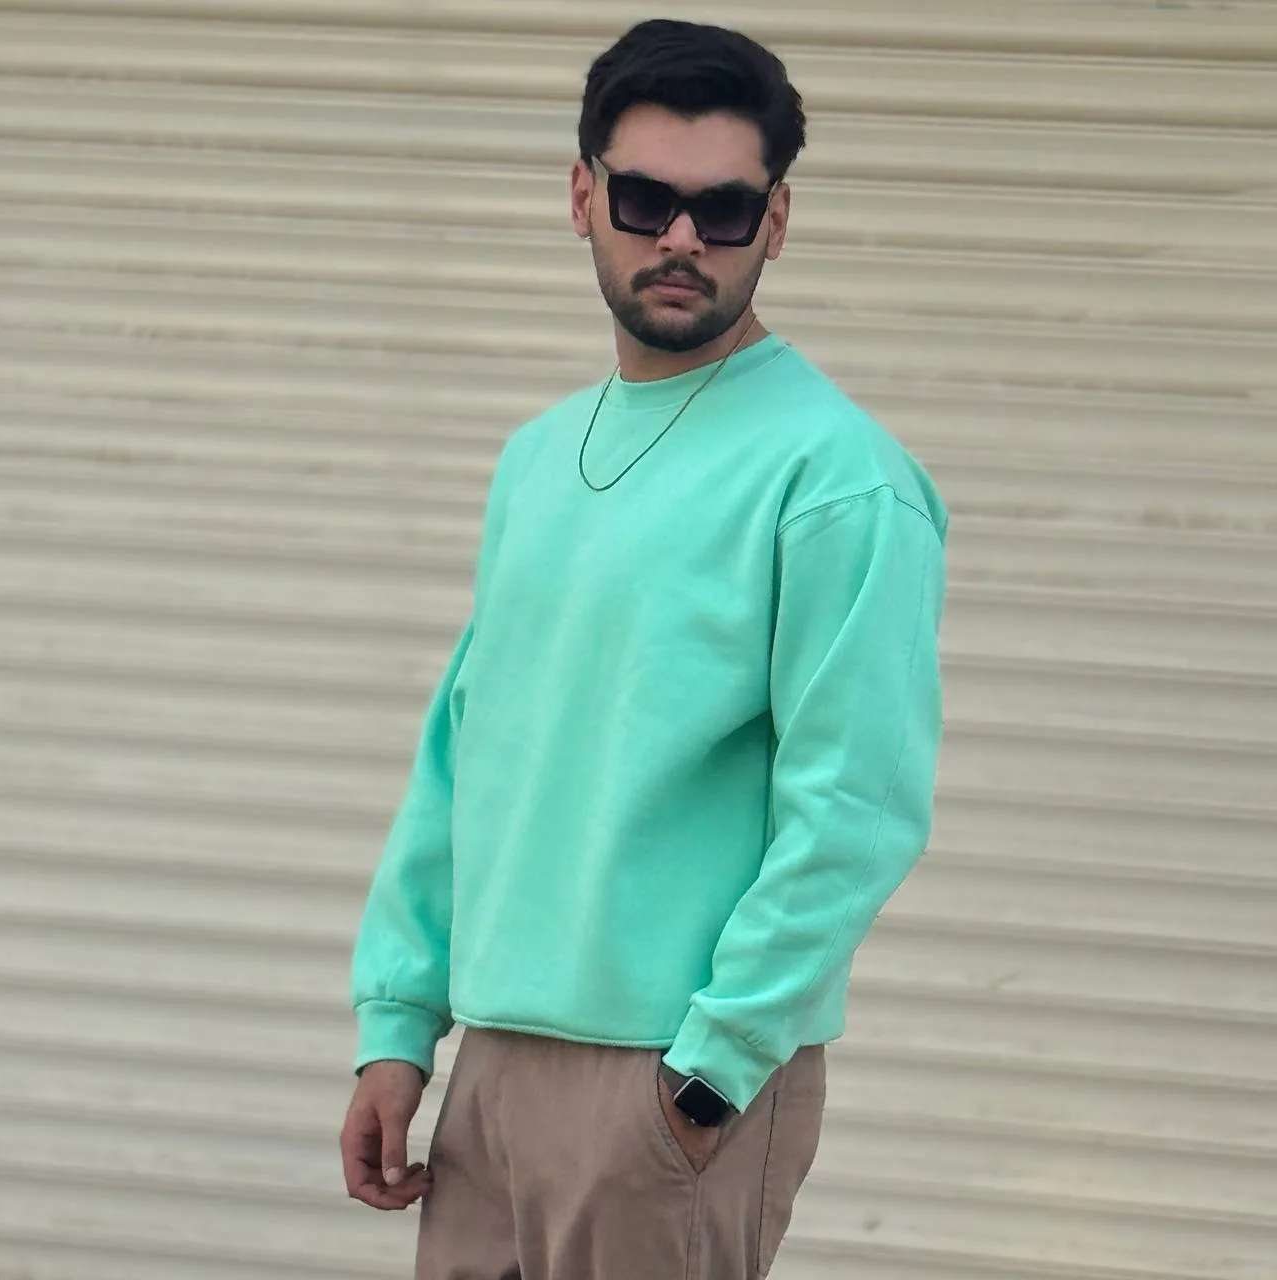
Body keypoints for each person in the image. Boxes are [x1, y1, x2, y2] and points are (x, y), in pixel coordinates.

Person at [340, 17, 948, 1279]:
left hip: (667, 1082)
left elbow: (854, 804)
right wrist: (398, 1023)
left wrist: (711, 1073)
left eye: (722, 209)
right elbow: (464, 754)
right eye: (643, 199)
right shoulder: (535, 459)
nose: (680, 237)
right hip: (493, 1065)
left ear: (774, 221)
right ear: (581, 197)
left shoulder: (836, 478)